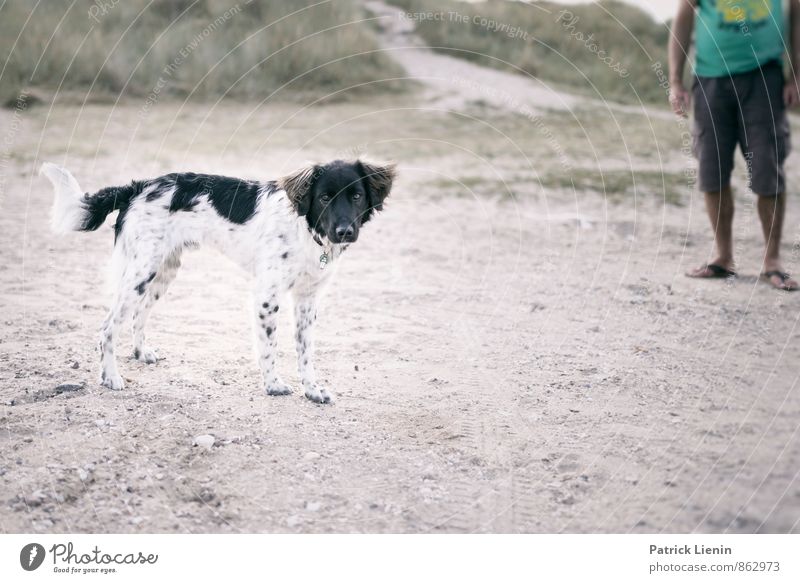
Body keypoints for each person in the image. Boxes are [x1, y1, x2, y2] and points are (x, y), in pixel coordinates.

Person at [669, 0, 799, 290]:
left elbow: (796, 12)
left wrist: (796, 74)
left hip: (764, 76)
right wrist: (675, 80)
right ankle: (723, 257)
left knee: (767, 164)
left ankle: (772, 261)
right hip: (710, 78)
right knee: (711, 166)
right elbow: (683, 17)